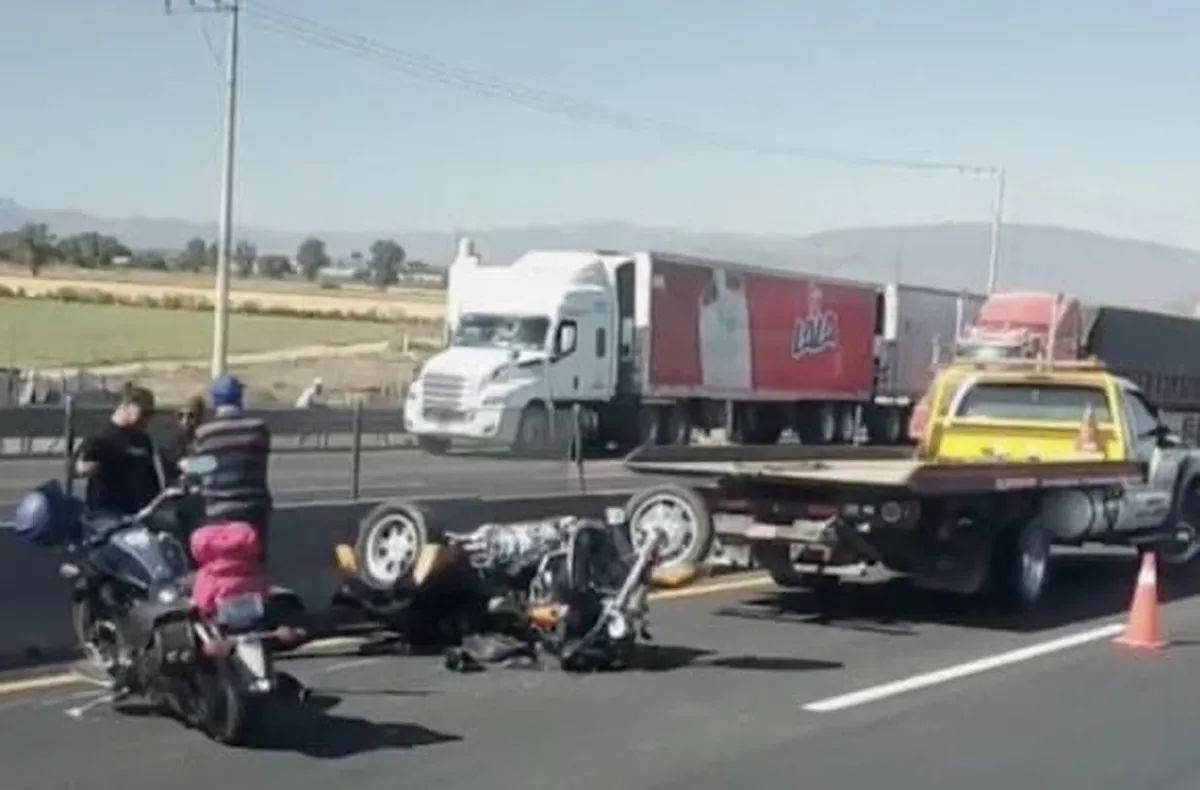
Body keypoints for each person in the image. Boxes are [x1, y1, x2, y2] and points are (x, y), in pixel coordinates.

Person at [191, 374, 273, 556]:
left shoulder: (205, 433)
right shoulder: (259, 429)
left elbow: (203, 466)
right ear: (239, 398)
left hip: (219, 509)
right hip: (253, 508)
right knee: (253, 561)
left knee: (220, 559)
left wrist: (188, 466)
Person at [75, 384, 163, 518]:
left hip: (139, 514)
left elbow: (151, 478)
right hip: (107, 515)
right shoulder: (101, 437)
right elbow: (81, 467)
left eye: (151, 414)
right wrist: (87, 467)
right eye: (144, 413)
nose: (147, 419)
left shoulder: (143, 440)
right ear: (127, 407)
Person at [161, 395, 207, 488]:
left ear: (201, 416)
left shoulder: (208, 439)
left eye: (191, 416)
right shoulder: (173, 442)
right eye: (180, 416)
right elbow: (186, 467)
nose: (185, 421)